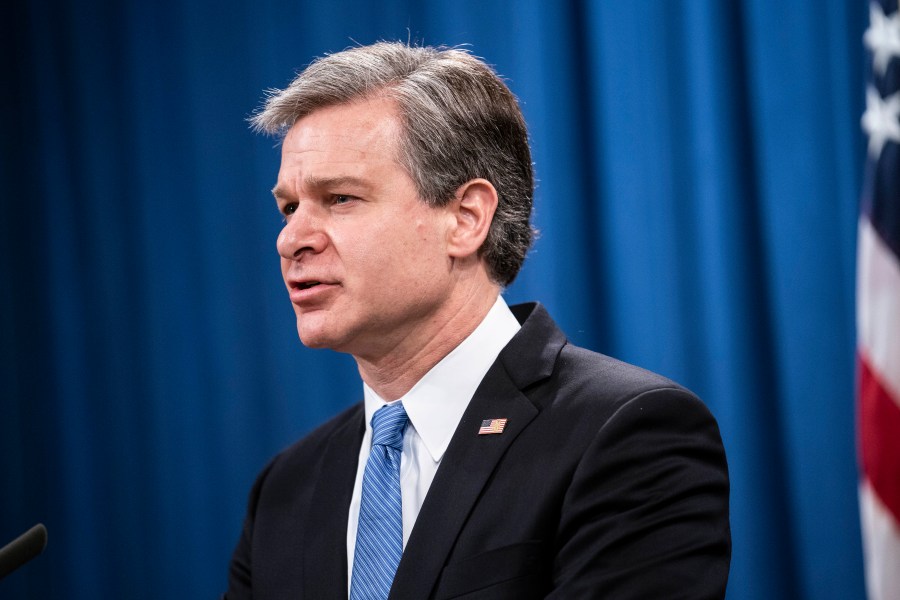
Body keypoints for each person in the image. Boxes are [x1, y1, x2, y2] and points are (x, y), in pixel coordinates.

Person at [225, 41, 730, 600]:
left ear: (465, 220)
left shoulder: (628, 435)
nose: (291, 239)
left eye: (340, 198)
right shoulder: (285, 488)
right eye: (289, 207)